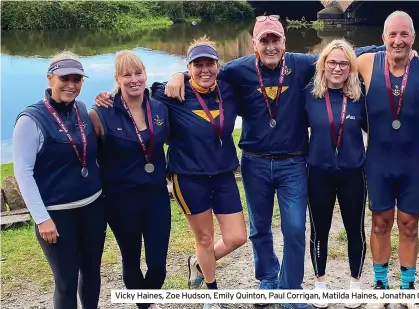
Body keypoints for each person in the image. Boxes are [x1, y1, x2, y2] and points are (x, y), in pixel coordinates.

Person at [162, 15, 385, 309]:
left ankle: (290, 290)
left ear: (284, 42)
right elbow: (204, 72)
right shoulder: (238, 69)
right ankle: (268, 281)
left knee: (294, 227)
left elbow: (340, 55)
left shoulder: (303, 64)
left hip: (293, 161)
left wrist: (388, 50)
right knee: (259, 228)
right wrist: (178, 75)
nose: (270, 46)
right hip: (254, 161)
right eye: (264, 41)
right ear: (255, 44)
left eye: (275, 40)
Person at [95, 37, 248, 309]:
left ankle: (198, 263)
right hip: (187, 177)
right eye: (196, 64)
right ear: (188, 67)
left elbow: (245, 70)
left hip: (224, 173)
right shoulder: (169, 93)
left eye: (209, 63)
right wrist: (107, 96)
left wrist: (179, 73)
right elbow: (136, 92)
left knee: (237, 237)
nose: (204, 70)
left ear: (217, 65)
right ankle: (211, 296)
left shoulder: (229, 88)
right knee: (204, 238)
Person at [356, 11, 419, 309]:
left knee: (409, 225)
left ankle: (408, 288)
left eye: (404, 34)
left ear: (413, 38)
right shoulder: (366, 64)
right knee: (380, 223)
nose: (398, 40)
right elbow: (335, 61)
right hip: (378, 160)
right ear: (382, 39)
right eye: (392, 34)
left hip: (413, 162)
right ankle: (380, 286)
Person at [12, 51, 106, 309]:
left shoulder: (82, 109)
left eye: (77, 79)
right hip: (57, 216)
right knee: (65, 281)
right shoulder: (31, 119)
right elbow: (23, 172)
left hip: (93, 209)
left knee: (92, 273)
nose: (71, 84)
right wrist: (42, 218)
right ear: (50, 78)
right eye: (65, 78)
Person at [89, 50, 170, 309]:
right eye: (127, 75)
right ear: (117, 78)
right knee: (131, 259)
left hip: (156, 195)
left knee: (158, 264)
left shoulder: (159, 106)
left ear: (146, 75)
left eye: (138, 73)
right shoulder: (101, 113)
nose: (134, 79)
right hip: (120, 199)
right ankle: (145, 305)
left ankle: (147, 298)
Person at [304, 39, 368, 309]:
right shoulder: (309, 94)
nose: (337, 68)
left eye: (344, 63)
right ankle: (320, 283)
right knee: (320, 230)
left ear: (351, 66)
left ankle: (355, 284)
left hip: (353, 174)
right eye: (332, 62)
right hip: (318, 174)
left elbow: (376, 129)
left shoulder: (359, 96)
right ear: (323, 64)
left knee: (356, 229)